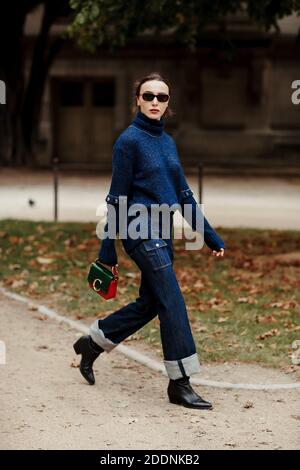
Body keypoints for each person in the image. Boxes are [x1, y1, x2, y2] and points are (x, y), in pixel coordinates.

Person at [73, 72, 225, 410]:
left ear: (168, 104)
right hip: (138, 230)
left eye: (162, 97)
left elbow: (184, 195)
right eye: (148, 96)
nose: (155, 102)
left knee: (152, 303)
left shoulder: (168, 143)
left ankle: (92, 343)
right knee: (172, 300)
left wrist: (211, 236)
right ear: (137, 100)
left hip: (163, 231)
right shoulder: (128, 142)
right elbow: (116, 198)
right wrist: (107, 248)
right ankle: (180, 382)